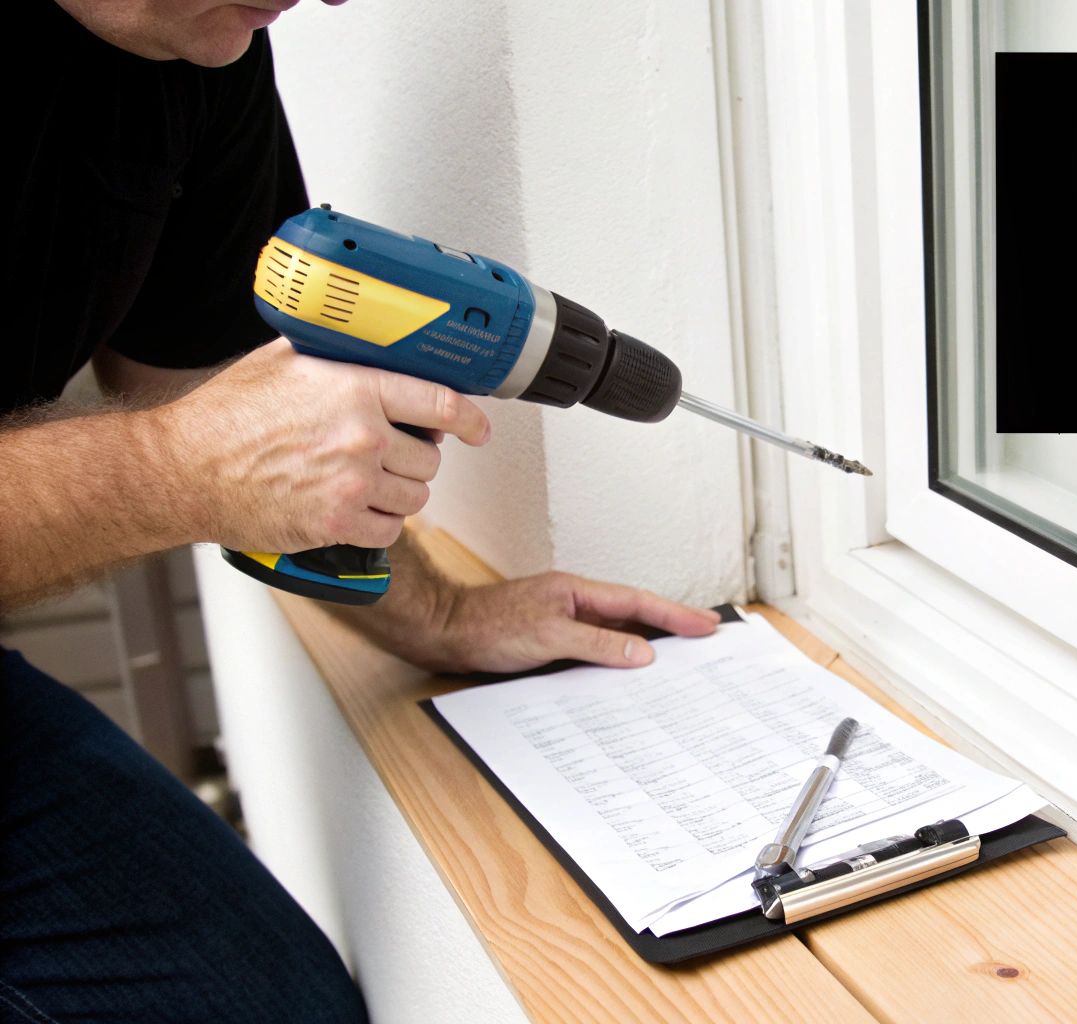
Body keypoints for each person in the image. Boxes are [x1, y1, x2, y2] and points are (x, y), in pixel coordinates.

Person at [0, 3, 721, 1021]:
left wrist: (441, 615)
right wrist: (172, 466)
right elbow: (186, 441)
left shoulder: (197, 45)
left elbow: (208, 385)